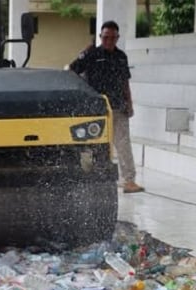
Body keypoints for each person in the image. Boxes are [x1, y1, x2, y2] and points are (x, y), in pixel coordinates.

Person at [69, 21, 144, 194]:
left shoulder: (121, 57)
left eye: (112, 38)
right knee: (89, 145)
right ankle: (87, 179)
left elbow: (125, 81)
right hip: (95, 109)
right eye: (105, 37)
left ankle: (129, 181)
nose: (109, 41)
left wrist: (130, 103)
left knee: (123, 144)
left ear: (117, 38)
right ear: (100, 37)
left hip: (118, 107)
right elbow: (71, 71)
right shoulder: (91, 54)